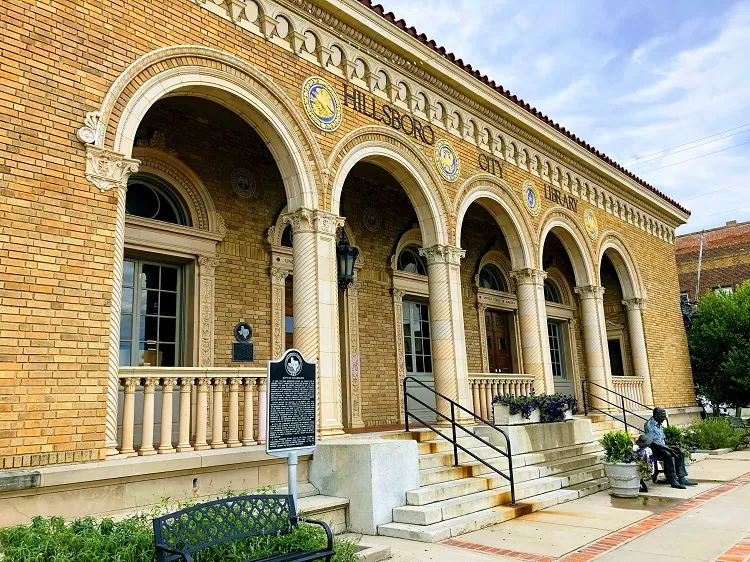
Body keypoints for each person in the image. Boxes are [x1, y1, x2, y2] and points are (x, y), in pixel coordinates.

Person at [644, 407, 697, 489]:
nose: (664, 418)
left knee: (680, 451)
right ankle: (672, 480)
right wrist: (668, 448)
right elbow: (653, 442)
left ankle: (682, 478)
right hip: (655, 448)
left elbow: (663, 440)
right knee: (667, 454)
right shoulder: (649, 425)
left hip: (663, 446)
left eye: (665, 416)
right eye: (662, 416)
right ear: (655, 415)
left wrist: (673, 445)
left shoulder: (659, 424)